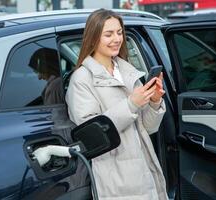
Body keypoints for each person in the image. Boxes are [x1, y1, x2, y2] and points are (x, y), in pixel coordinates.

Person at [65, 9, 168, 200]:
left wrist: (154, 102)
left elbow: (148, 128)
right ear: (94, 37)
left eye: (119, 32)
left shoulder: (128, 72)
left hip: (145, 170)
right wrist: (131, 104)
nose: (116, 39)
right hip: (116, 178)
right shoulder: (82, 79)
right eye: (108, 34)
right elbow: (91, 135)